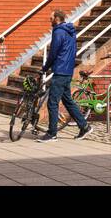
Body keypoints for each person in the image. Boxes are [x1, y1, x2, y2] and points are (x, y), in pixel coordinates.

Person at [37, 9, 92, 142]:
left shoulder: (58, 31)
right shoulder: (70, 31)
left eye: (51, 18)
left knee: (52, 102)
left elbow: (53, 52)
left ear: (57, 19)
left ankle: (52, 133)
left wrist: (45, 68)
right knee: (68, 101)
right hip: (67, 70)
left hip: (60, 71)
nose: (49, 21)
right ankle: (84, 127)